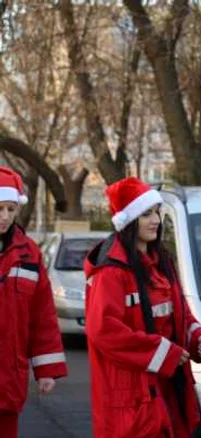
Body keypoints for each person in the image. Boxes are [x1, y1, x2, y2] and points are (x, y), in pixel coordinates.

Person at [84, 177, 201, 438]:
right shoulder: (111, 270)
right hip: (133, 393)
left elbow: (181, 314)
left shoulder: (163, 262)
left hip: (167, 386)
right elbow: (103, 331)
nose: (155, 220)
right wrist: (165, 353)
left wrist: (196, 337)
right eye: (146, 214)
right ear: (128, 221)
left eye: (156, 212)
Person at [0, 167, 67, 438]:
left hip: (9, 377)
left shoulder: (29, 253)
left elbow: (42, 316)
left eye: (11, 209)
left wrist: (47, 369)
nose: (4, 217)